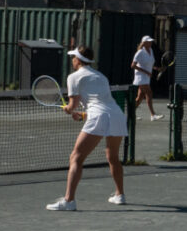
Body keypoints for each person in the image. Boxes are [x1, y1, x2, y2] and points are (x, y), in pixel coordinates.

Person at [47, 47, 127, 211]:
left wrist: (69, 109)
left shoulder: (74, 77)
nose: (72, 60)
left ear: (78, 59)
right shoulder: (101, 76)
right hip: (117, 115)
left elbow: (73, 105)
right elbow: (101, 103)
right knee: (113, 156)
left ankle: (69, 201)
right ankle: (120, 195)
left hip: (100, 116)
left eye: (73, 57)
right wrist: (83, 115)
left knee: (76, 157)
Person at [129, 36, 161, 121]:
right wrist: (146, 72)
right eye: (149, 41)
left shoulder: (151, 50)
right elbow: (133, 65)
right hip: (140, 77)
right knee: (149, 93)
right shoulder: (139, 52)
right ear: (144, 43)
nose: (150, 43)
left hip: (147, 77)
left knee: (139, 98)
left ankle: (130, 114)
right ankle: (153, 115)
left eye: (151, 41)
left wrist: (156, 68)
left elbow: (149, 64)